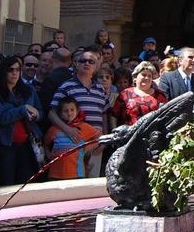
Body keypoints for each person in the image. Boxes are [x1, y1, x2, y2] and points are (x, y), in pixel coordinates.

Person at [48, 48, 110, 176]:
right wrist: (67, 129)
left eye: (91, 61)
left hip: (96, 144)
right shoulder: (66, 86)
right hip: (73, 143)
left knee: (92, 184)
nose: (87, 64)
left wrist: (105, 138)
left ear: (96, 66)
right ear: (76, 64)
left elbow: (104, 114)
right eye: (83, 61)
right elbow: (52, 113)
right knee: (74, 182)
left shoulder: (100, 89)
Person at [0, 54, 43, 186]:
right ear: (3, 72)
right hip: (7, 144)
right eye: (10, 70)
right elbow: (2, 118)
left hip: (28, 143)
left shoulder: (29, 90)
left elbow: (41, 113)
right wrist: (23, 109)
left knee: (26, 182)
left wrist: (36, 115)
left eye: (17, 70)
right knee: (7, 183)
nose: (14, 73)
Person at [45, 97, 100, 180]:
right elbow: (45, 143)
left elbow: (100, 136)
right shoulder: (53, 130)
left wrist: (88, 147)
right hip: (55, 175)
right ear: (60, 114)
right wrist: (48, 154)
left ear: (77, 111)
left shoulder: (83, 127)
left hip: (77, 174)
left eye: (72, 110)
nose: (69, 113)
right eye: (65, 111)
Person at [112, 62, 167, 127]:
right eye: (144, 75)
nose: (147, 78)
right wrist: (114, 131)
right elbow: (114, 115)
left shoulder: (159, 95)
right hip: (128, 134)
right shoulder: (125, 94)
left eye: (149, 76)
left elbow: (166, 116)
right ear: (135, 78)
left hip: (152, 134)